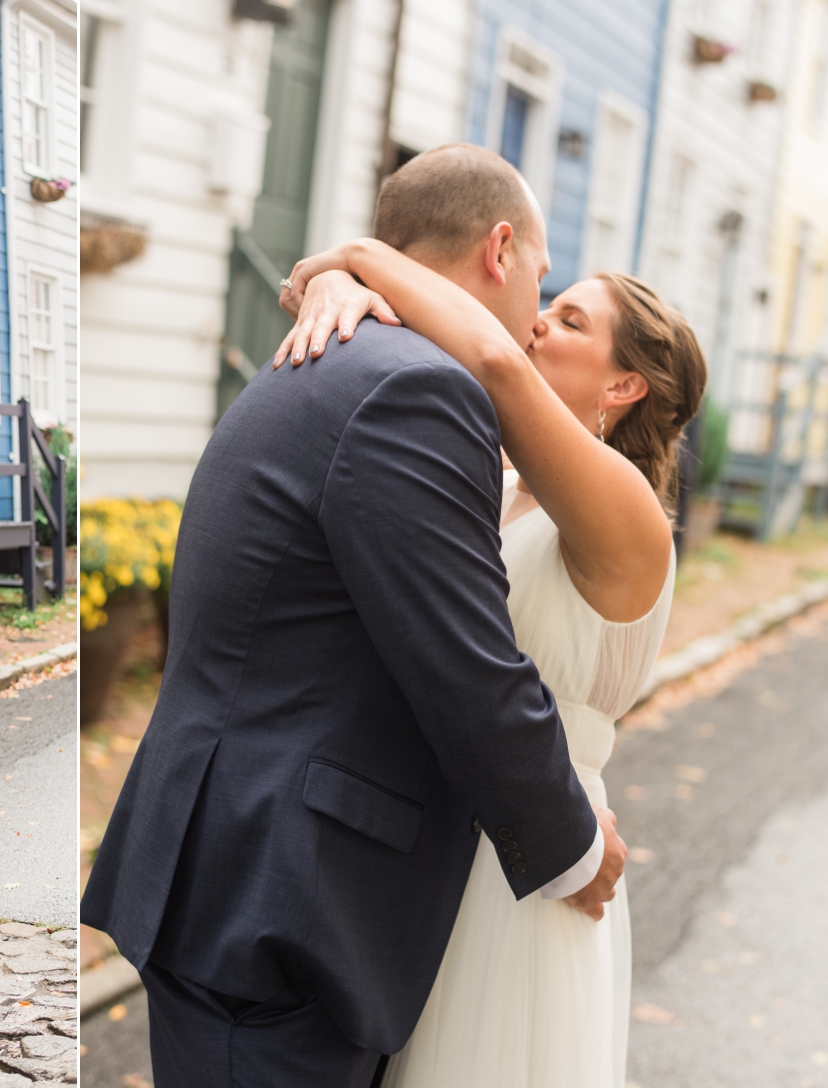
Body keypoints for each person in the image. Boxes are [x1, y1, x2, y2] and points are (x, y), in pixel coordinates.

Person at [81, 145, 629, 1088]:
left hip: (242, 860)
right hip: (284, 893)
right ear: (499, 249)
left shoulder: (339, 352)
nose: (538, 313)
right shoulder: (419, 386)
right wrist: (574, 846)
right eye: (542, 274)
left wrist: (343, 262)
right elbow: (468, 663)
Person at [273, 228, 704, 1086]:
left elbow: (497, 364)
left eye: (571, 319)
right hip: (446, 839)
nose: (540, 323)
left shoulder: (631, 517)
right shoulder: (504, 490)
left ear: (624, 384)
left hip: (539, 852)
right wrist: (341, 294)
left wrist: (356, 253)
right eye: (551, 306)